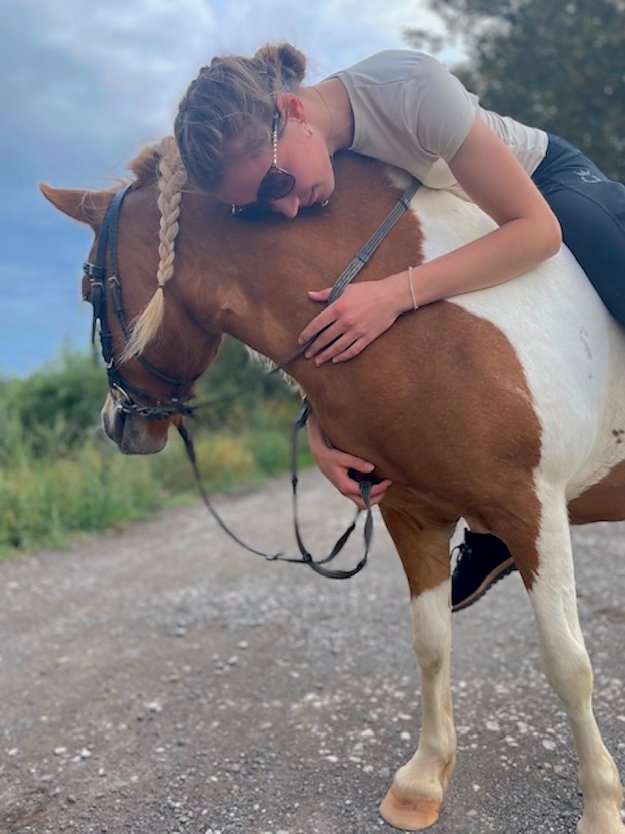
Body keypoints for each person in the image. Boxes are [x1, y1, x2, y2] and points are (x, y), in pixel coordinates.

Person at [174, 43, 625, 611]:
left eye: (274, 184)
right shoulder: (320, 176)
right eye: (258, 207)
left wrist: (394, 294)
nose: (283, 209)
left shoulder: (410, 86)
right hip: (464, 224)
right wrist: (322, 432)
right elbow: (336, 322)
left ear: (292, 112)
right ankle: (491, 531)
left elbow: (537, 231)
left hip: (544, 187)